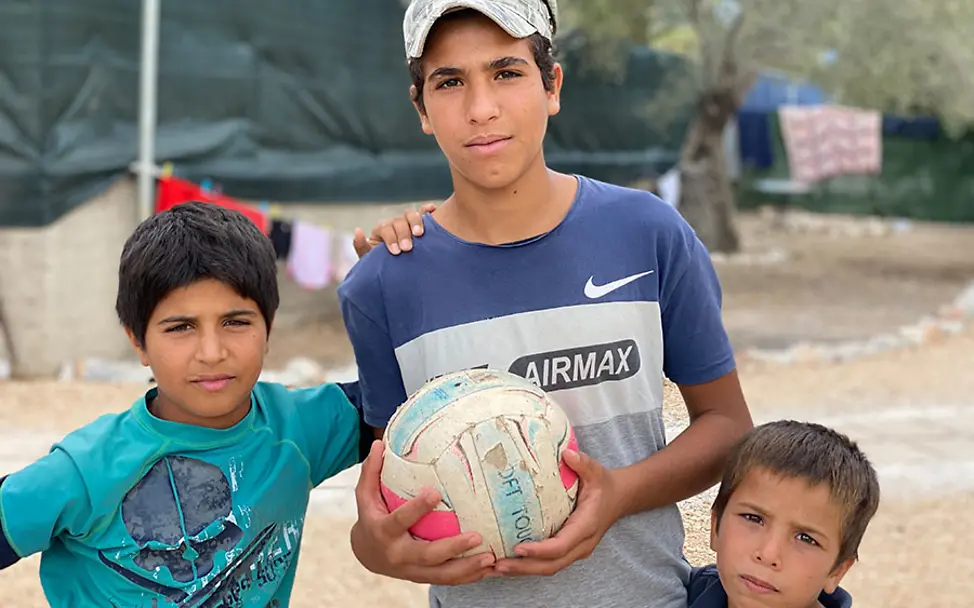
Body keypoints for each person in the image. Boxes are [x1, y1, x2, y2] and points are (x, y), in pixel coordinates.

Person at [337, 1, 755, 607]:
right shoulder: (384, 283)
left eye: (506, 72)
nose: (482, 108)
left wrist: (617, 492)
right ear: (421, 108)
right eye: (450, 82)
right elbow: (393, 492)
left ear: (552, 85)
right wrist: (377, 547)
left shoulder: (647, 233)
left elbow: (727, 428)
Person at [0, 201, 372, 607]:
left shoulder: (301, 428)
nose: (211, 352)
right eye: (181, 327)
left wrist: (395, 283)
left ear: (269, 327)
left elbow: (423, 404)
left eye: (235, 321)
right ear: (137, 341)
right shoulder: (85, 470)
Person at [688, 420, 881, 608]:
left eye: (806, 538)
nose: (768, 554)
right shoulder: (682, 592)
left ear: (837, 572)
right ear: (715, 527)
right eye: (754, 518)